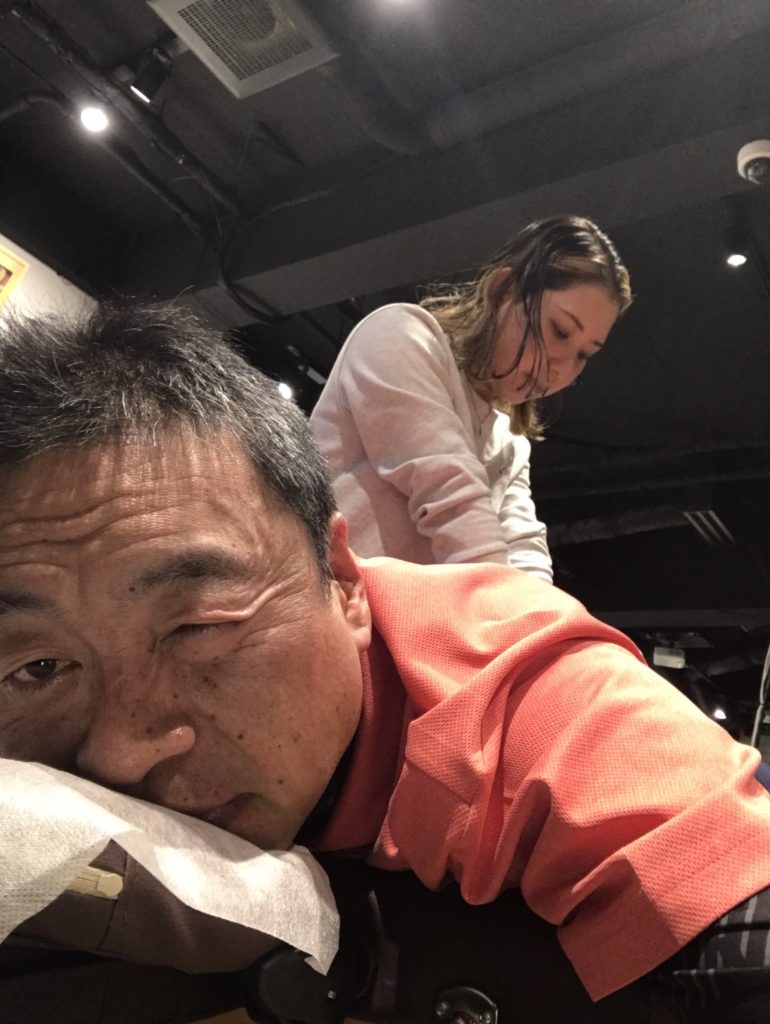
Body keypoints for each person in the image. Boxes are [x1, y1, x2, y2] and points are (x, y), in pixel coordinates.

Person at [0, 302, 769, 1022]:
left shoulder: (542, 715)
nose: (122, 754)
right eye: (39, 667)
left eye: (198, 627)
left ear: (343, 580)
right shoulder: (403, 338)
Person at [310, 215, 632, 584]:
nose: (563, 368)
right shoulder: (400, 334)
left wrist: (545, 612)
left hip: (377, 616)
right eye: (560, 331)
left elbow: (524, 547)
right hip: (306, 600)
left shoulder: (510, 443)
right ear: (504, 289)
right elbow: (451, 496)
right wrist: (514, 614)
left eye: (584, 354)